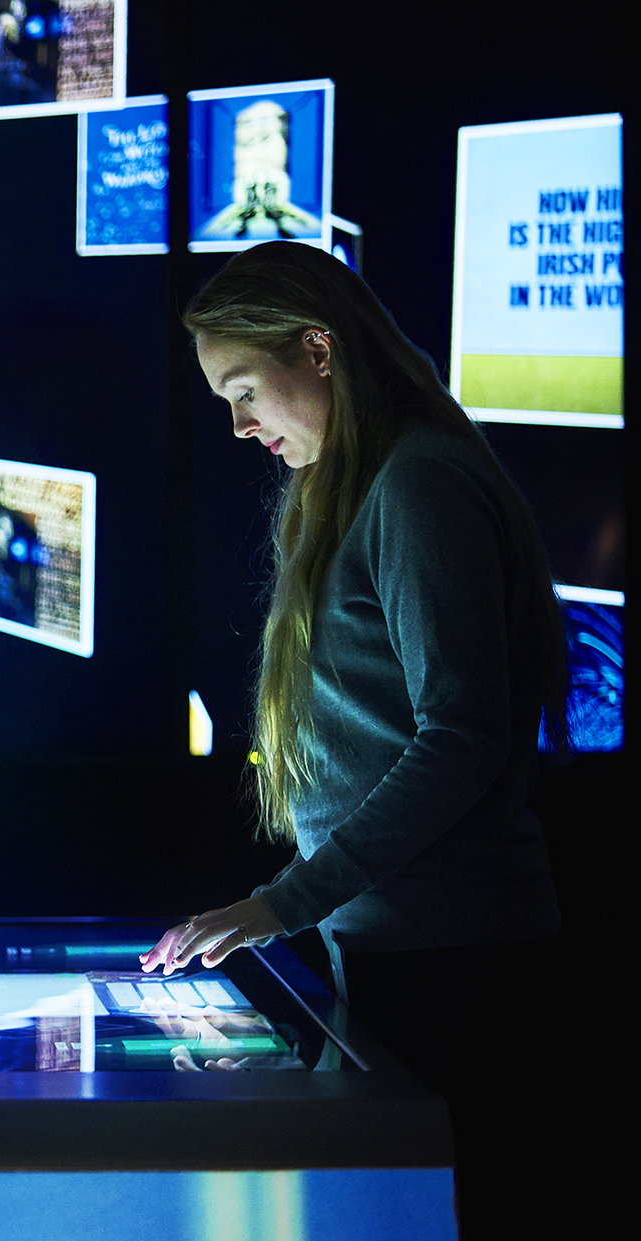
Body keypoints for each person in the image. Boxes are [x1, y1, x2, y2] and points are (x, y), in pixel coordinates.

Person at [138, 241, 568, 1233]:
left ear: (319, 348)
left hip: (456, 956)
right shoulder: (358, 480)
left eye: (244, 388)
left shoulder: (417, 483)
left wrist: (281, 902)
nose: (241, 425)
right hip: (400, 947)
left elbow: (460, 738)